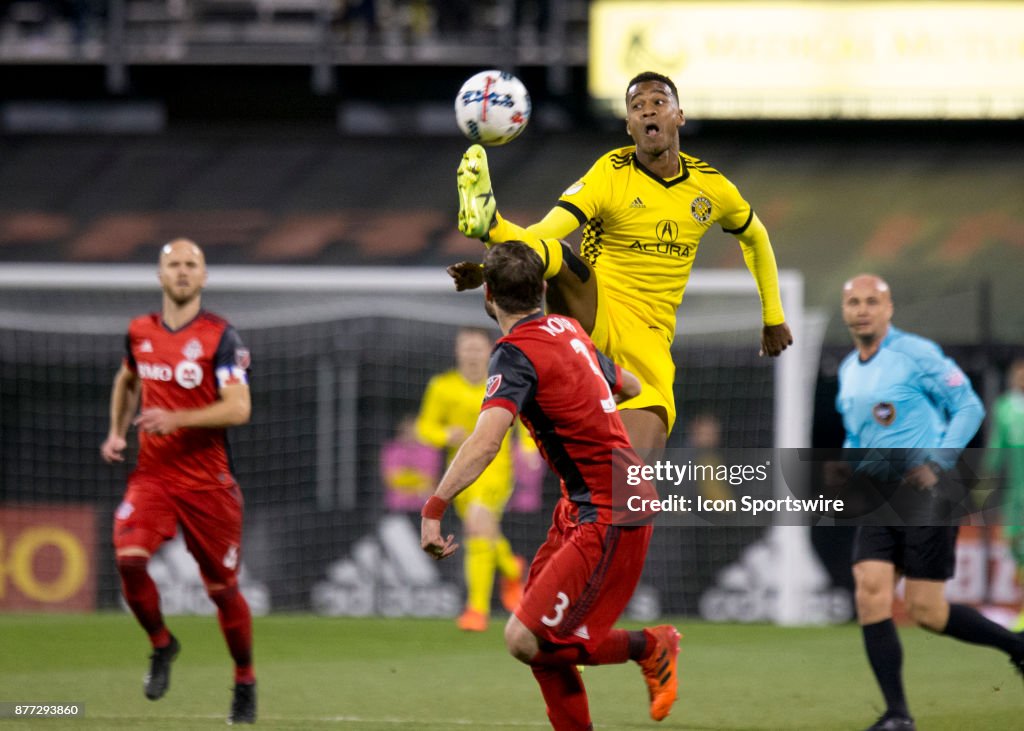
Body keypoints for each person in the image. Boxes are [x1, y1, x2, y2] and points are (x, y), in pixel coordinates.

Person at [451, 70, 793, 459]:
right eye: (637, 106)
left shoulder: (712, 188)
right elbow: (547, 230)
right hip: (595, 310)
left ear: (679, 115)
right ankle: (492, 223)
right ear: (629, 126)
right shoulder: (610, 173)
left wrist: (773, 316)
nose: (648, 111)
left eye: (658, 102)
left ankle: (499, 241)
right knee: (559, 252)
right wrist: (501, 253)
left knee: (629, 489)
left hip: (649, 341)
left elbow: (756, 237)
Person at [421, 241, 681, 730]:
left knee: (528, 639)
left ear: (488, 297)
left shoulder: (515, 355)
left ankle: (651, 644)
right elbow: (628, 386)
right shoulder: (569, 329)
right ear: (542, 288)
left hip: (610, 510)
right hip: (585, 502)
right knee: (538, 641)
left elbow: (485, 443)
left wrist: (434, 507)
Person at [835, 274, 1024, 731]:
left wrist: (938, 463)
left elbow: (969, 407)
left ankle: (1018, 648)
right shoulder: (847, 369)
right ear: (845, 311)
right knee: (870, 592)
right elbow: (857, 432)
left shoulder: (915, 354)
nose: (862, 309)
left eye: (871, 302)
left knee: (927, 612)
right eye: (854, 302)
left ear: (889, 309)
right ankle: (897, 714)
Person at [100, 238, 256, 724]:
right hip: (153, 476)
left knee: (222, 591)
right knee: (128, 559)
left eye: (192, 265)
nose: (183, 272)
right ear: (160, 275)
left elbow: (239, 407)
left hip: (208, 484)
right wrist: (116, 431)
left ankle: (244, 681)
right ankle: (162, 644)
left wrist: (179, 419)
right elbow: (128, 379)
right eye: (174, 265)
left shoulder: (222, 337)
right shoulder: (139, 331)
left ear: (204, 277)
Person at [415, 326, 533, 631]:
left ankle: (476, 609)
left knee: (478, 524)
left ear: (490, 351)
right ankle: (510, 566)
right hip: (460, 472)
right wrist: (443, 434)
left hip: (495, 467)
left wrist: (531, 449)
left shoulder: (502, 382)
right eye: (466, 348)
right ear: (457, 352)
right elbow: (424, 427)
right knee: (482, 530)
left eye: (477, 348)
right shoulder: (442, 386)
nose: (471, 354)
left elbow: (525, 418)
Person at [983, 358, 1024, 630]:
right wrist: (987, 476)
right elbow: (997, 443)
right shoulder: (1004, 406)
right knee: (1013, 544)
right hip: (1015, 487)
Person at [381, 413, 442, 512]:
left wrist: (405, 476)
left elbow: (431, 480)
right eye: (407, 430)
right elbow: (391, 479)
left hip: (424, 506)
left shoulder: (431, 450)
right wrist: (418, 480)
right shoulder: (392, 449)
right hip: (397, 507)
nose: (411, 433)